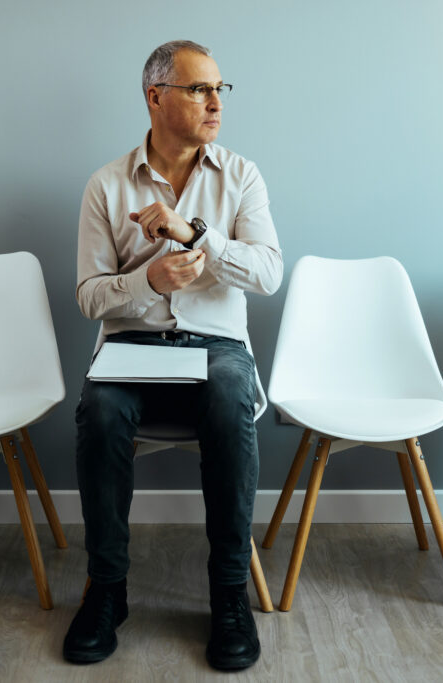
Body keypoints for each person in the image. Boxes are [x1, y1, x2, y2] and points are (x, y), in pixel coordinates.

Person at [65, 40, 282, 671]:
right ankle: (106, 592)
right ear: (156, 96)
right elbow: (87, 297)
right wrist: (148, 284)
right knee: (100, 411)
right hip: (130, 345)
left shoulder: (242, 177)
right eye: (197, 89)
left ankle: (228, 594)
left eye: (220, 89)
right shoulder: (106, 185)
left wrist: (196, 235)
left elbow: (267, 274)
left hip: (216, 348)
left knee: (228, 394)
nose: (216, 101)